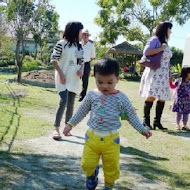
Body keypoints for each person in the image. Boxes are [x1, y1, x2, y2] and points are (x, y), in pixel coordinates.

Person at [63, 57, 152, 190]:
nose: (105, 86)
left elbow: (131, 115)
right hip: (92, 138)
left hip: (111, 141)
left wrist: (142, 129)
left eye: (110, 82)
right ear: (95, 78)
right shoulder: (92, 95)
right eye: (100, 82)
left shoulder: (121, 98)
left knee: (111, 166)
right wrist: (70, 124)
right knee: (87, 164)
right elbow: (81, 111)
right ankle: (92, 175)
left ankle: (109, 186)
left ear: (117, 79)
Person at [51, 21, 84, 140]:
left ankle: (67, 128)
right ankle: (56, 129)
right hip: (62, 78)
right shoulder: (61, 44)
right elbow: (53, 60)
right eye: (80, 31)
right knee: (63, 101)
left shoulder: (79, 46)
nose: (82, 33)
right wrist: (61, 74)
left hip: (74, 79)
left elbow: (82, 61)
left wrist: (82, 69)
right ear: (75, 31)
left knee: (71, 104)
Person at [139, 21, 173, 130]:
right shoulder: (155, 40)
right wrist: (160, 49)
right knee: (152, 96)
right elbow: (146, 52)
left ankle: (157, 122)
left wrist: (169, 73)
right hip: (155, 73)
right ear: (164, 29)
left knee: (162, 97)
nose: (171, 31)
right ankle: (146, 121)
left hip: (163, 75)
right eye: (169, 29)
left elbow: (167, 60)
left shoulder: (165, 43)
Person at [170, 67, 190, 131]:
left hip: (188, 101)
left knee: (186, 113)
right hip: (180, 100)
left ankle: (184, 125)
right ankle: (177, 124)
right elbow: (173, 86)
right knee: (179, 113)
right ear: (185, 73)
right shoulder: (179, 80)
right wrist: (170, 81)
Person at [78, 29, 96, 102]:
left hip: (86, 63)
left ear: (88, 36)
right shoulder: (78, 44)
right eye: (84, 34)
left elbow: (92, 57)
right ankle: (72, 93)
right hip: (78, 63)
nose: (85, 36)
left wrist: (85, 62)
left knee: (85, 80)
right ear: (82, 35)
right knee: (75, 79)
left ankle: (82, 96)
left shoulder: (91, 46)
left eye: (87, 35)